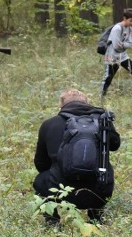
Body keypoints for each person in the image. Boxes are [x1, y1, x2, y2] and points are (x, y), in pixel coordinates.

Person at [33, 88, 120, 222]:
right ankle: (95, 217)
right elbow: (115, 145)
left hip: (62, 192)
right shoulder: (103, 122)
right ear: (87, 103)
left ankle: (52, 222)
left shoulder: (50, 124)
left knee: (40, 180)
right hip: (98, 192)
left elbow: (41, 163)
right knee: (105, 172)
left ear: (61, 105)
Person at [102, 8, 132, 96]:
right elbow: (116, 46)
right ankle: (102, 94)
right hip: (112, 56)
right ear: (125, 18)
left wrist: (123, 44)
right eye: (130, 21)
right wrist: (124, 45)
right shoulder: (117, 28)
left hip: (123, 56)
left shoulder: (129, 29)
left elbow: (130, 43)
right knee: (109, 76)